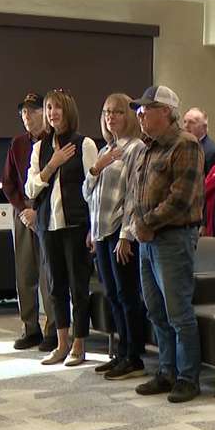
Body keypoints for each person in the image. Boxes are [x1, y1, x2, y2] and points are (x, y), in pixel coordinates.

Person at [130, 85, 205, 404]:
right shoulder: (147, 147)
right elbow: (137, 192)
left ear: (166, 112)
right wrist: (138, 225)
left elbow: (180, 198)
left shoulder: (185, 145)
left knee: (178, 312)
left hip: (173, 237)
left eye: (147, 109)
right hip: (148, 239)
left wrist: (146, 223)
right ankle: (166, 371)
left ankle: (188, 377)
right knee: (155, 310)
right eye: (140, 110)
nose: (141, 115)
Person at [25, 89, 99, 367]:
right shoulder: (39, 148)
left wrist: (93, 227)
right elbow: (31, 187)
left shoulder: (85, 144)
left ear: (68, 111)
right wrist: (51, 165)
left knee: (78, 286)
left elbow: (92, 190)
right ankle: (61, 343)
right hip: (48, 225)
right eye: (48, 108)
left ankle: (80, 344)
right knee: (56, 286)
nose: (52, 113)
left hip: (76, 224)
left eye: (57, 108)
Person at [83, 93, 148, 379]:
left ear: (129, 116)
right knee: (112, 294)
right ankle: (120, 352)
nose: (111, 117)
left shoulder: (136, 148)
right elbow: (88, 194)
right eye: (107, 112)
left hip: (120, 233)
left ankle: (133, 355)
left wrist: (125, 235)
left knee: (127, 294)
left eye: (118, 112)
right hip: (100, 231)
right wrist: (97, 167)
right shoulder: (104, 150)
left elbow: (134, 195)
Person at [1, 91, 58, 351]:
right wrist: (23, 209)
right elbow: (8, 182)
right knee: (25, 273)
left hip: (46, 210)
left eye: (32, 111)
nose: (27, 116)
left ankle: (53, 329)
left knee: (49, 273)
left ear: (44, 113)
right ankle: (30, 327)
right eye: (23, 112)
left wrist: (37, 210)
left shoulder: (54, 141)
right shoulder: (17, 144)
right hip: (22, 210)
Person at [183, 107, 215, 176]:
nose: (186, 126)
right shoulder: (180, 146)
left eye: (192, 122)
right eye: (185, 121)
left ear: (204, 127)